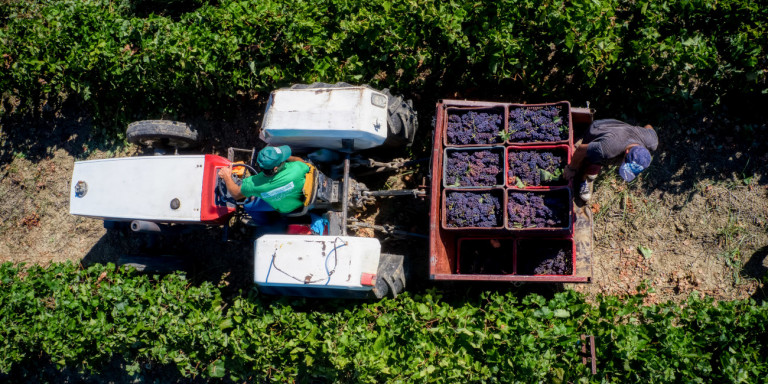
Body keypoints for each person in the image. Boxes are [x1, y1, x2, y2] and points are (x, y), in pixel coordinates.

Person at [565, 119, 658, 201]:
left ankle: (591, 170)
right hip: (597, 129)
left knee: (598, 158)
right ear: (627, 151)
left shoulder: (651, 141)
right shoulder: (608, 149)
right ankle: (582, 179)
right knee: (590, 160)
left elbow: (648, 126)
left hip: (616, 130)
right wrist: (571, 168)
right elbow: (581, 150)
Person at [217, 145, 309, 214]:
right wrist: (281, 157)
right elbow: (299, 160)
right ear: (275, 168)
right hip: (299, 202)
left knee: (248, 206)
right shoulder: (297, 169)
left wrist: (227, 176)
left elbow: (235, 194)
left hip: (284, 208)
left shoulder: (253, 185)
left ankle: (263, 222)